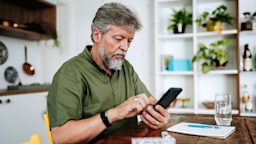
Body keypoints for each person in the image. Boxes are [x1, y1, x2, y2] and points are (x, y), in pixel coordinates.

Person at [47, 2, 172, 144]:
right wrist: (113, 114)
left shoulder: (126, 68)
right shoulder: (70, 73)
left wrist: (156, 114)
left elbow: (150, 101)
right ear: (97, 35)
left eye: (129, 41)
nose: (125, 47)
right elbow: (60, 138)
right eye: (118, 39)